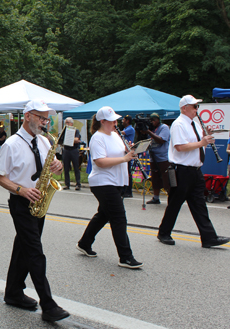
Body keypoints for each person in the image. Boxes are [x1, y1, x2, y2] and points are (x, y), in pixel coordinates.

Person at [0, 100, 69, 322]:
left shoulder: (45, 141)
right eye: (41, 117)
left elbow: (54, 164)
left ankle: (13, 293)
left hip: (40, 200)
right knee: (35, 251)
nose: (45, 122)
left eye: (47, 119)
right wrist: (21, 190)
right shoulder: (11, 144)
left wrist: (58, 165)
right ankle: (48, 304)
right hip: (21, 202)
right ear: (27, 116)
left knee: (24, 248)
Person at [157, 95, 230, 247]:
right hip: (182, 170)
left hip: (195, 170)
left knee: (199, 204)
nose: (197, 109)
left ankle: (209, 237)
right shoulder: (178, 124)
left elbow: (198, 142)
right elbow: (180, 147)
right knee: (175, 203)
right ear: (185, 108)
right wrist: (202, 142)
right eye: (195, 106)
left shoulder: (195, 124)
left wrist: (205, 135)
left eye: (197, 106)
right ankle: (164, 232)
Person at [76, 106, 143, 269]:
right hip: (103, 182)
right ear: (102, 121)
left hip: (116, 181)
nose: (116, 122)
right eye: (112, 120)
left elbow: (121, 154)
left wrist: (130, 151)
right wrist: (124, 159)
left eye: (116, 120)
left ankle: (84, 243)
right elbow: (100, 161)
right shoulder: (97, 138)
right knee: (119, 217)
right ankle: (125, 256)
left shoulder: (115, 135)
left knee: (103, 215)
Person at [143, 113, 170, 204]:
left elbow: (162, 140)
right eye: (151, 120)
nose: (152, 122)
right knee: (155, 179)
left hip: (163, 158)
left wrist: (149, 132)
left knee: (167, 179)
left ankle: (171, 198)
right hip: (153, 157)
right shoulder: (151, 129)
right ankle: (156, 198)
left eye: (154, 120)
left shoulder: (164, 127)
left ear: (158, 120)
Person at [61, 117, 82, 190]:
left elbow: (77, 139)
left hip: (73, 150)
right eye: (65, 122)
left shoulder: (75, 130)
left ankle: (78, 184)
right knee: (66, 168)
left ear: (71, 123)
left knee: (76, 167)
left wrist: (69, 140)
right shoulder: (64, 131)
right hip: (66, 150)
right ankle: (67, 184)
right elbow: (61, 139)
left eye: (67, 122)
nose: (66, 124)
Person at [121, 115, 135, 197]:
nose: (122, 121)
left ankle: (128, 191)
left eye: (123, 120)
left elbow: (120, 133)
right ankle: (124, 189)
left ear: (127, 121)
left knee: (128, 172)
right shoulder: (126, 129)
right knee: (124, 171)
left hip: (128, 151)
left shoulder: (130, 128)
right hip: (125, 151)